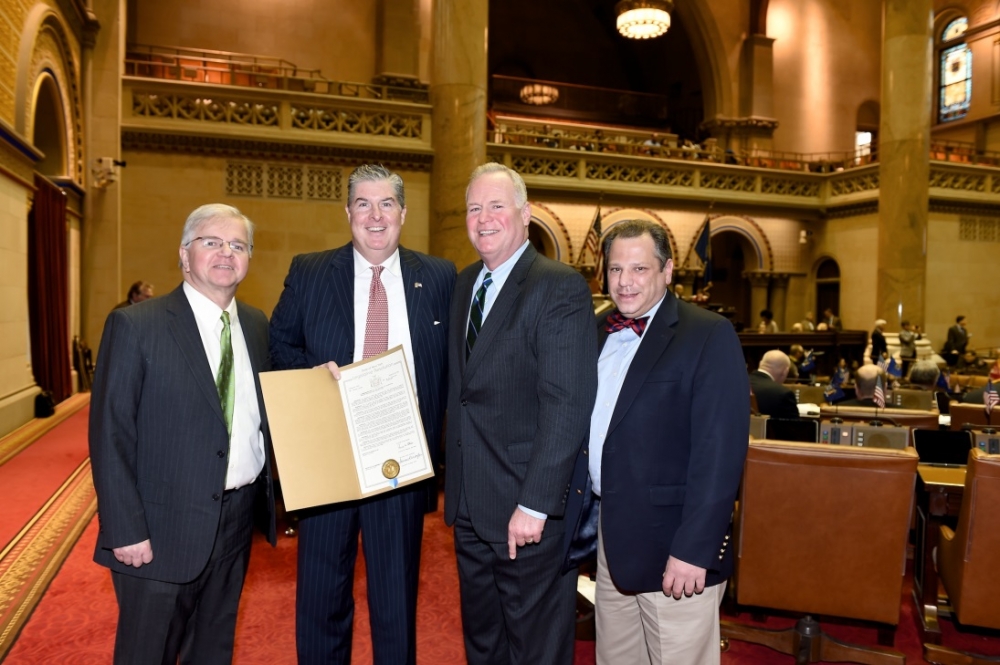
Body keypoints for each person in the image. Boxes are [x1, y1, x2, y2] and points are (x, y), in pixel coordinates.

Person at [269, 164, 456, 665]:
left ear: (403, 213)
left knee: (396, 599)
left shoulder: (437, 276)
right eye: (363, 204)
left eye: (386, 204)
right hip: (328, 459)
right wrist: (314, 375)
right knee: (321, 595)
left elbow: (455, 364)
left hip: (399, 459)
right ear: (347, 211)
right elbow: (279, 344)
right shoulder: (309, 271)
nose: (375, 216)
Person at [89, 204, 276, 664]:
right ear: (183, 254)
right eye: (211, 242)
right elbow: (110, 434)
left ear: (250, 258)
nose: (226, 253)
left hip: (235, 521)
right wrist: (124, 528)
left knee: (212, 650)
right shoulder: (137, 325)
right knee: (148, 653)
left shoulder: (255, 325)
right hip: (157, 530)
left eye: (238, 245)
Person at [444, 162, 598, 665]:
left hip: (526, 515)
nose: (483, 218)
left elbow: (567, 403)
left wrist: (534, 505)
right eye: (473, 208)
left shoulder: (558, 287)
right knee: (484, 643)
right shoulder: (465, 283)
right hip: (470, 506)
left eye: (496, 206)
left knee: (534, 650)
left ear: (524, 214)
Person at [584, 219, 748, 664]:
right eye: (616, 270)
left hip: (675, 549)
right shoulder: (598, 328)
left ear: (668, 270)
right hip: (612, 542)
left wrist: (693, 550)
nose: (625, 282)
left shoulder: (707, 334)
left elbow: (720, 455)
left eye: (639, 269)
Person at [749, 350, 800, 420]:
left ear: (760, 363)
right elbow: (795, 428)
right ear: (785, 372)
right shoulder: (783, 394)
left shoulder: (739, 383)